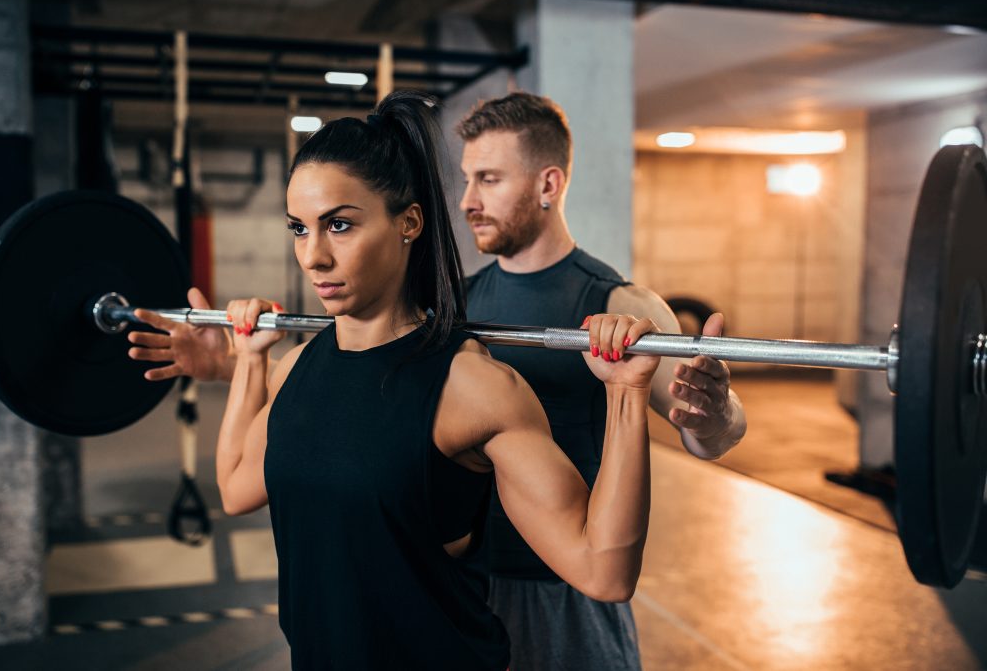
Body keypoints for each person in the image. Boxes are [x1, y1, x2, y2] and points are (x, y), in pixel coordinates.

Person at [130, 90, 662, 671]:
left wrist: (627, 393)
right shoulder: (297, 367)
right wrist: (251, 360)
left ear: (409, 222)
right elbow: (235, 488)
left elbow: (604, 570)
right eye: (299, 229)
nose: (313, 256)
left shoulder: (473, 386)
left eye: (339, 225)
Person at [451, 92, 747, 671]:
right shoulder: (458, 302)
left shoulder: (618, 303)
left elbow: (711, 433)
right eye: (467, 179)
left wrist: (713, 414)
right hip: (465, 582)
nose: (468, 201)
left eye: (488, 179)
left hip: (566, 590)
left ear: (548, 184)